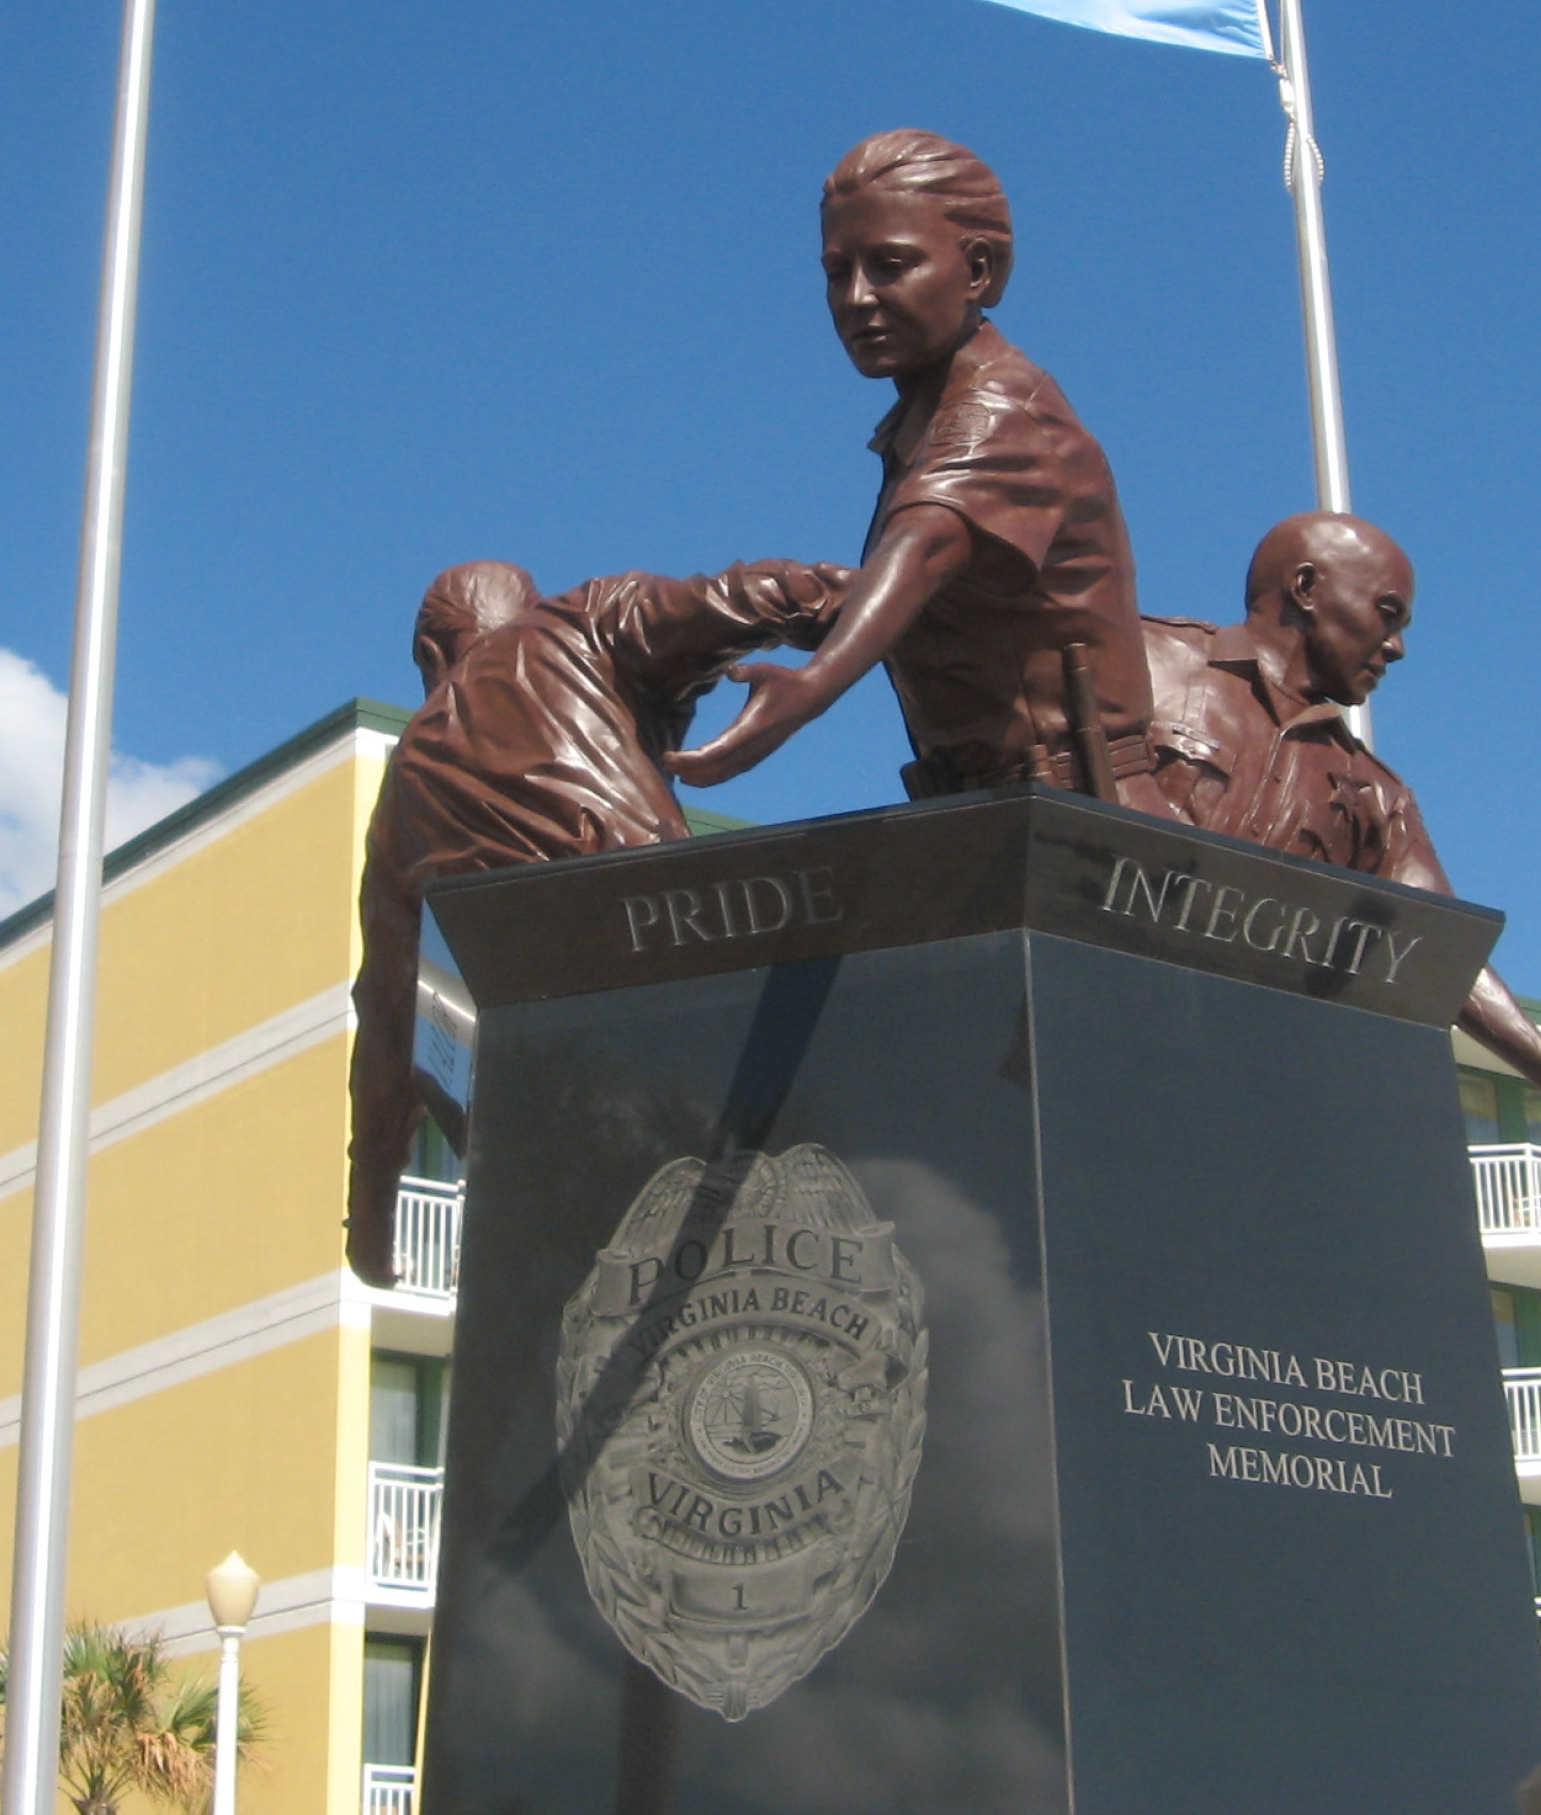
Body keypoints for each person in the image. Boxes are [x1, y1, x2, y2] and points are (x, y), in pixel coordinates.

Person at [343, 556, 852, 1284]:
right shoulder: (584, 623)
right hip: (673, 1009)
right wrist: (871, 600)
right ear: (529, 609)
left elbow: (390, 1016)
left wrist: (370, 1211)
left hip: (530, 1117)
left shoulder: (400, 795)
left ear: (429, 656)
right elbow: (742, 596)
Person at [1141, 511, 1541, 1187]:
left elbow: (1438, 949)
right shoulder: (1139, 659)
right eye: (1386, 614)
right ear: (1306, 587)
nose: (1395, 648)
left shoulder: (1374, 792)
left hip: (1238, 1084)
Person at [666, 131, 1172, 812]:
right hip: (992, 814)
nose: (855, 298)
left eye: (889, 265)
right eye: (835, 271)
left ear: (977, 271)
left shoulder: (1000, 409)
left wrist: (811, 687)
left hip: (1079, 822)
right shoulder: (920, 425)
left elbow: (922, 548)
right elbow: (913, 592)